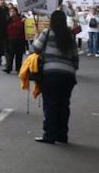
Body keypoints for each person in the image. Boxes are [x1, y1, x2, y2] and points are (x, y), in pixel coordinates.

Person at [32, 10, 79, 144]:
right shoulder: (69, 35)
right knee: (64, 105)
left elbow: (35, 48)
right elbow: (75, 58)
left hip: (51, 74)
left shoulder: (47, 33)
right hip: (68, 76)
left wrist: (36, 35)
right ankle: (62, 135)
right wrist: (72, 70)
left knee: (51, 104)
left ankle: (49, 135)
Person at [3, 6, 27, 74]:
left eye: (13, 11)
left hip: (20, 39)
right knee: (10, 54)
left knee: (19, 54)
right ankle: (8, 67)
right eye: (10, 11)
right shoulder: (7, 19)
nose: (12, 13)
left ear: (16, 12)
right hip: (10, 39)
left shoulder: (21, 19)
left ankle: (18, 68)